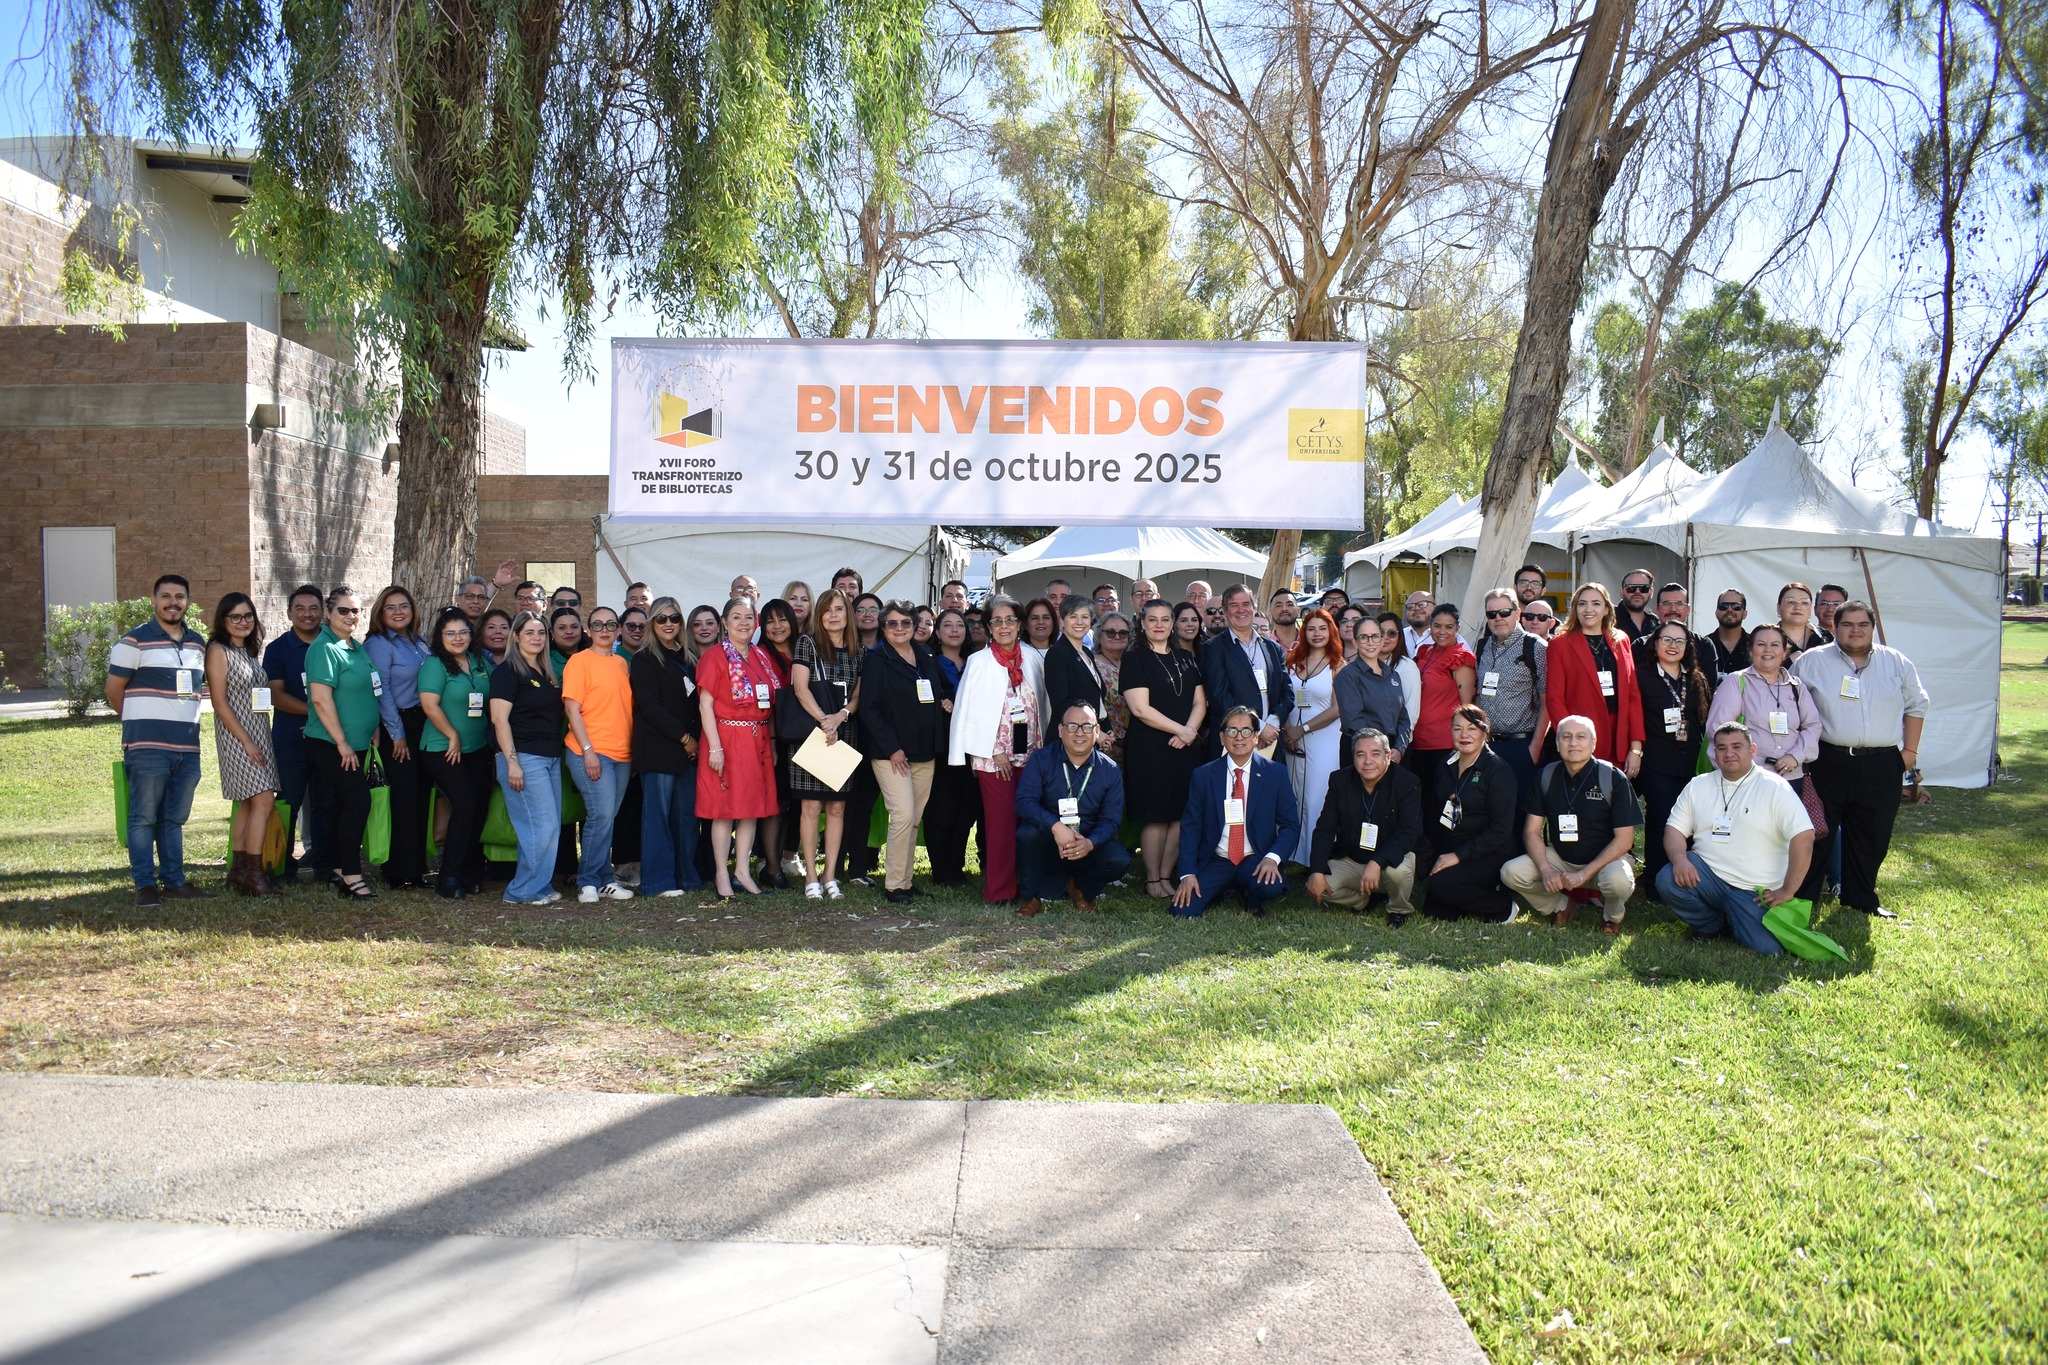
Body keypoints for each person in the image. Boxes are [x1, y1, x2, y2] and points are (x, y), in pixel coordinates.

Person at [1794, 602, 1929, 920]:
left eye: (1862, 624)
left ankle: (1861, 899)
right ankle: (1805, 898)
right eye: (1848, 624)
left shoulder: (1896, 662)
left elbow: (1917, 704)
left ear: (1872, 625)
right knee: (1818, 832)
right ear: (1834, 627)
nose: (1855, 630)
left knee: (1873, 834)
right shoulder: (1811, 662)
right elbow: (1793, 706)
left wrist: (1909, 753)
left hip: (1881, 762)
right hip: (1828, 760)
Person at [1656, 723, 1815, 954]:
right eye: (1721, 748)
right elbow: (1674, 830)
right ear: (1714, 753)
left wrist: (1787, 890)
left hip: (1754, 892)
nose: (1729, 753)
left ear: (1753, 750)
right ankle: (1710, 925)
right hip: (1708, 877)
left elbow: (1804, 837)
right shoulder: (1698, 785)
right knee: (1668, 879)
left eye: (1736, 746)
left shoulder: (1775, 787)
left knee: (1769, 950)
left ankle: (1735, 917)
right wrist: (1680, 860)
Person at [1704, 623, 1823, 901]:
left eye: (1774, 645)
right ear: (1751, 649)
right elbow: (1720, 729)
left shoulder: (1796, 687)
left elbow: (1813, 725)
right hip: (1751, 778)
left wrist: (1795, 756)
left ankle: (1785, 892)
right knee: (1751, 837)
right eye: (1761, 644)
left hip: (1790, 778)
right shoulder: (1737, 682)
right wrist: (1750, 764)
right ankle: (1744, 893)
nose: (1767, 650)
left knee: (1786, 838)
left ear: (1785, 651)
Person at [1501, 715, 1640, 932]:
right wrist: (1546, 869)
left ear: (1593, 743)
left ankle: (1612, 916)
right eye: (1566, 737)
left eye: (1580, 737)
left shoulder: (1613, 778)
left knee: (1618, 881)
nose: (1573, 743)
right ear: (1557, 744)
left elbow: (1625, 840)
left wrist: (1584, 874)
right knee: (1511, 872)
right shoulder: (1546, 776)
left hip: (1606, 861)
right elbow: (1531, 832)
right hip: (1561, 859)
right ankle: (1562, 905)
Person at [949, 596, 1046, 906]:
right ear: (989, 627)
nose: (1004, 626)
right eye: (997, 621)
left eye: (1010, 620)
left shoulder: (1031, 657)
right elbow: (969, 711)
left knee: (1026, 823)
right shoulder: (979, 661)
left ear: (1019, 625)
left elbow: (1042, 705)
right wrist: (992, 749)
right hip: (995, 758)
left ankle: (1026, 884)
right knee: (1000, 824)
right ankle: (1000, 890)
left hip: (1030, 755)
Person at [861, 601, 955, 904]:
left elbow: (937, 692)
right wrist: (893, 749)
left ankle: (905, 881)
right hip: (892, 754)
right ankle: (893, 885)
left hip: (925, 751)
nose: (899, 628)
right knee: (902, 814)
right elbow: (870, 710)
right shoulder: (876, 660)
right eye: (892, 623)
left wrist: (944, 702)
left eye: (905, 623)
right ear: (883, 627)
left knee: (914, 818)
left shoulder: (927, 656)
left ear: (914, 626)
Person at [1172, 706, 1299, 917]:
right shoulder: (1203, 776)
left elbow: (1290, 825)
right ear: (1222, 737)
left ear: (1256, 737)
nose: (1239, 737)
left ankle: (1246, 890)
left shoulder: (1275, 774)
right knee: (1182, 910)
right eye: (1232, 731)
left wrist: (1272, 858)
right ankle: (1224, 887)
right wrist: (1187, 874)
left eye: (1246, 731)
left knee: (1270, 887)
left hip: (1255, 858)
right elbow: (1191, 827)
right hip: (1218, 858)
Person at [1121, 600, 1208, 900]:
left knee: (1179, 815)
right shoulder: (1135, 659)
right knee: (1156, 814)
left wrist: (1190, 732)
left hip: (1184, 746)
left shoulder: (1185, 657)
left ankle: (1166, 875)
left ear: (1172, 623)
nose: (1159, 624)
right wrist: (1180, 730)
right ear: (1142, 623)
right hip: (1150, 748)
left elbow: (1200, 702)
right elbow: (1140, 709)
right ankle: (1151, 879)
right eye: (1152, 619)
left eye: (1165, 619)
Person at [1012, 703, 1131, 915]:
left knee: (1118, 859)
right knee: (1027, 834)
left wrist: (1089, 843)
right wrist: (1056, 826)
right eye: (1072, 726)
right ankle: (1031, 897)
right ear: (1060, 730)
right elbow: (1024, 801)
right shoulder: (1041, 759)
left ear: (1096, 732)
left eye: (1086, 727)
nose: (1079, 733)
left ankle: (1081, 889)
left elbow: (1111, 821)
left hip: (1087, 844)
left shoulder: (1110, 770)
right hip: (1049, 840)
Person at [698, 597, 781, 898]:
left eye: (748, 617)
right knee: (724, 810)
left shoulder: (760, 656)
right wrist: (715, 748)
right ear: (725, 622)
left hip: (757, 738)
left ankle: (743, 871)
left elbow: (770, 703)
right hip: (727, 739)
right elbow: (705, 703)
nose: (743, 623)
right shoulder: (715, 656)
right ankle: (722, 873)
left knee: (751, 809)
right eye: (736, 617)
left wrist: (770, 743)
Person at [303, 585, 380, 900]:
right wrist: (342, 743)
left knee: (340, 806)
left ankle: (336, 867)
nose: (351, 616)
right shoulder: (324, 648)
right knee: (357, 803)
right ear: (328, 613)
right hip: (333, 746)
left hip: (360, 743)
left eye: (356, 610)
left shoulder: (356, 646)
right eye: (344, 610)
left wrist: (373, 727)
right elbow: (321, 701)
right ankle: (351, 874)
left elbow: (366, 691)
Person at [786, 589, 864, 899]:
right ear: (819, 615)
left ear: (848, 614)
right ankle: (811, 877)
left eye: (839, 610)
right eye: (827, 610)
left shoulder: (858, 650)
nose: (833, 615)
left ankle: (830, 875)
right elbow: (800, 688)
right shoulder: (808, 643)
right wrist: (824, 720)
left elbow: (858, 695)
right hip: (813, 735)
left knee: (836, 808)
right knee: (810, 807)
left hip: (843, 734)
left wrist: (840, 716)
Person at [205, 592, 280, 896]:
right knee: (264, 800)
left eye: (248, 615)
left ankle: (238, 872)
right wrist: (246, 741)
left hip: (259, 731)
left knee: (248, 803)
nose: (243, 621)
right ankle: (254, 872)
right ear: (223, 620)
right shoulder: (218, 650)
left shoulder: (248, 651)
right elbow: (219, 703)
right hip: (237, 736)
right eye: (235, 616)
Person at [1306, 729, 1423, 923]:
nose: (1367, 761)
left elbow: (1409, 832)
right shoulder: (1340, 780)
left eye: (1375, 754)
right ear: (1353, 757)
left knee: (1398, 872)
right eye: (1360, 754)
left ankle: (1398, 909)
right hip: (1353, 858)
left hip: (1390, 858)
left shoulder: (1407, 782)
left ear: (1388, 755)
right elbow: (1325, 829)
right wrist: (1316, 870)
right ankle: (1362, 900)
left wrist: (1377, 862)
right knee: (1320, 885)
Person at [417, 607, 494, 899]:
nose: (457, 638)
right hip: (443, 749)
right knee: (464, 806)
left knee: (478, 808)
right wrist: (452, 735)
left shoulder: (479, 662)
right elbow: (429, 705)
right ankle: (448, 876)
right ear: (440, 637)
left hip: (477, 748)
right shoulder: (434, 665)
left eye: (463, 632)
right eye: (450, 633)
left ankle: (471, 873)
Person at [489, 611, 565, 905]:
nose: (536, 637)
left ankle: (537, 884)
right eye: (530, 632)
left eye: (541, 633)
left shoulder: (545, 673)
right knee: (540, 826)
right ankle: (521, 891)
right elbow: (499, 720)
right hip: (523, 758)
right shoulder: (507, 672)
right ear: (516, 636)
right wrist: (511, 762)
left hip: (549, 757)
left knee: (546, 826)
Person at [631, 596, 705, 899]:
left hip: (688, 752)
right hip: (659, 749)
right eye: (661, 618)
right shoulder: (644, 658)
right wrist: (684, 737)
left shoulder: (689, 658)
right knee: (658, 818)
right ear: (652, 623)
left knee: (686, 818)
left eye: (674, 617)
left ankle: (687, 877)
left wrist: (695, 741)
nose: (669, 623)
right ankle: (659, 882)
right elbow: (649, 706)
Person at [1417, 705, 1519, 921]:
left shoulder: (1499, 771)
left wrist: (1457, 856)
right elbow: (1436, 813)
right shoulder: (1445, 764)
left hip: (1486, 852)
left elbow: (1500, 831)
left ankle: (1504, 907)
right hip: (1451, 847)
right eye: (1457, 729)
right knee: (1434, 909)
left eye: (1471, 729)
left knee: (1440, 886)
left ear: (1485, 732)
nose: (1464, 735)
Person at [562, 606, 636, 903]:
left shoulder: (621, 664)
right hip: (589, 751)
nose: (604, 629)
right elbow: (571, 708)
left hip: (622, 755)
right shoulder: (579, 661)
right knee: (600, 814)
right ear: (588, 630)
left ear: (618, 629)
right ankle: (587, 881)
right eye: (597, 625)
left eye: (610, 624)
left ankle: (605, 879)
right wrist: (589, 751)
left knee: (609, 817)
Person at [1636, 619, 1713, 888]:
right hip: (1656, 761)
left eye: (1679, 641)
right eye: (1666, 639)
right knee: (1661, 817)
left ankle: (1686, 877)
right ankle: (1655, 879)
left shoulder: (1695, 678)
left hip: (1689, 762)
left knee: (1690, 819)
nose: (1672, 646)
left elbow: (1702, 721)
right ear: (1655, 643)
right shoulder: (1641, 676)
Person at [365, 586, 433, 889]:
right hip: (398, 726)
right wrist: (397, 733)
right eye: (390, 607)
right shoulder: (379, 644)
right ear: (380, 612)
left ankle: (417, 868)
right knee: (403, 799)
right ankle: (398, 871)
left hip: (424, 723)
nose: (398, 612)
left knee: (420, 796)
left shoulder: (419, 642)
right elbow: (382, 691)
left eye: (403, 605)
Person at [263, 583, 326, 881]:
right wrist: (318, 711)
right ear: (289, 613)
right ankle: (281, 861)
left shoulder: (333, 645)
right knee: (289, 799)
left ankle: (324, 861)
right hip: (291, 739)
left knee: (326, 799)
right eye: (299, 608)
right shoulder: (277, 650)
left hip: (328, 740)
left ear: (323, 611)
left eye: (314, 608)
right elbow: (276, 696)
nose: (307, 614)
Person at [1545, 583, 1644, 776]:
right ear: (1575, 608)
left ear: (1607, 608)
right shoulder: (1560, 644)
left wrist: (1636, 747)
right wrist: (1570, 738)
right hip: (1581, 738)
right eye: (1582, 604)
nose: (1588, 609)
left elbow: (1633, 695)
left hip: (1619, 737)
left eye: (1596, 603)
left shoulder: (1621, 639)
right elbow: (1554, 699)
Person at [923, 608, 983, 889]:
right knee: (941, 809)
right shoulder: (928, 662)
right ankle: (941, 869)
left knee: (966, 809)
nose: (955, 630)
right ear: (937, 632)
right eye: (947, 625)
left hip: (972, 747)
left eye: (960, 625)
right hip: (942, 747)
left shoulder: (976, 662)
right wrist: (941, 702)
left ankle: (957, 866)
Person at [1470, 588, 1548, 793]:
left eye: (1504, 612)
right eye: (1491, 614)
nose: (1498, 618)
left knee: (1518, 811)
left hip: (1520, 745)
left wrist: (1535, 748)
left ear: (1517, 613)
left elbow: (1547, 700)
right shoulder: (1482, 646)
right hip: (1486, 745)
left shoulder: (1535, 647)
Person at [1282, 608, 1345, 864]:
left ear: (1331, 631)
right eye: (1311, 628)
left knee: (1317, 796)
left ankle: (1315, 858)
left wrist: (1303, 729)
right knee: (1293, 795)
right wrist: (1288, 731)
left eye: (1322, 628)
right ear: (1303, 631)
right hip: (1291, 739)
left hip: (1323, 740)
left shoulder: (1338, 665)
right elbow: (1286, 697)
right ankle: (1292, 854)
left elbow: (1337, 709)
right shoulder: (1293, 661)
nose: (1317, 634)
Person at [1200, 585, 1293, 754]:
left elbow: (1287, 693)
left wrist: (1274, 722)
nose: (1241, 610)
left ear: (1254, 607)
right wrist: (1258, 727)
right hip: (1233, 741)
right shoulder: (1213, 648)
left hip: (1270, 743)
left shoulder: (1273, 648)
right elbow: (1220, 697)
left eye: (1245, 604)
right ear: (1225, 610)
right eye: (1234, 605)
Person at [837, 592, 888, 885]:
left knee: (864, 805)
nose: (867, 614)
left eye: (873, 609)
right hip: (845, 734)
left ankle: (858, 866)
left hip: (875, 740)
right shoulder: (844, 649)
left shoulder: (889, 650)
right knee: (840, 804)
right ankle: (835, 863)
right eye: (861, 609)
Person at [757, 597, 802, 887]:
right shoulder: (759, 654)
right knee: (775, 803)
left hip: (804, 737)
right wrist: (772, 741)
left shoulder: (805, 650)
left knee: (798, 804)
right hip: (773, 739)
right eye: (770, 621)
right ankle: (771, 868)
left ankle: (789, 858)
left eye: (782, 619)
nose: (777, 626)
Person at [1407, 604, 1478, 779]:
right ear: (1430, 626)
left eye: (1449, 627)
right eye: (1437, 626)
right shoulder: (1426, 652)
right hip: (1417, 740)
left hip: (1444, 744)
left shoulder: (1460, 657)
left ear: (1457, 628)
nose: (1442, 631)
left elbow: (1467, 706)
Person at [1334, 616, 1411, 758]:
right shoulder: (1347, 676)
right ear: (1356, 642)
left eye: (1375, 636)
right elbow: (1354, 720)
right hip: (1363, 750)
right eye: (1363, 637)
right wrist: (1380, 750)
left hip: (1391, 750)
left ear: (1382, 640)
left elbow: (1403, 719)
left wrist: (1399, 748)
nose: (1370, 642)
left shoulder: (1393, 676)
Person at [1636, 583, 1719, 694]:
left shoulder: (1704, 645)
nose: (1673, 609)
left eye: (1679, 604)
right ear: (1657, 609)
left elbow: (1708, 690)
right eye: (1666, 603)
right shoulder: (1640, 645)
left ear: (1688, 609)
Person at [1043, 596, 1105, 727]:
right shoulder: (1057, 654)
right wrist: (1097, 733)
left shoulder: (1087, 653)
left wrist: (1106, 728)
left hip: (1092, 733)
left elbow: (1097, 699)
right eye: (1073, 616)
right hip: (1071, 736)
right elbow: (1060, 703)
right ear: (1062, 621)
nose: (1079, 622)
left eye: (1085, 617)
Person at [1374, 610, 1424, 748]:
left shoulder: (1407, 667)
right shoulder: (1363, 664)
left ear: (1399, 637)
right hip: (1365, 741)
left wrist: (1399, 747)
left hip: (1395, 742)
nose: (1385, 637)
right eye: (1380, 633)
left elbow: (1411, 713)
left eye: (1391, 633)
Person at [1095, 610, 1133, 760]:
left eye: (1123, 633)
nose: (1117, 636)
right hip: (1105, 743)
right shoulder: (1091, 663)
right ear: (1099, 635)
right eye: (1110, 632)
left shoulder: (1134, 663)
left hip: (1134, 743)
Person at [1775, 581, 1832, 660]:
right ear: (1778, 608)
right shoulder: (1766, 638)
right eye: (1791, 602)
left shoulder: (1825, 637)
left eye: (1804, 603)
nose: (1798, 607)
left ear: (1811, 609)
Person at [1704, 589, 1751, 677]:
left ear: (1745, 613)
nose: (1729, 610)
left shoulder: (1756, 645)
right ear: (1716, 613)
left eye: (1736, 607)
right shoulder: (1702, 645)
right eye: (1723, 606)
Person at [1615, 569, 1660, 643]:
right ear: (1622, 592)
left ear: (1651, 593)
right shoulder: (1607, 617)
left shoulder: (1655, 622)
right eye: (1631, 588)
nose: (1637, 592)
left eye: (1644, 588)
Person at [548, 606, 586, 676]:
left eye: (574, 627)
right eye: (562, 628)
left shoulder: (593, 655)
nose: (569, 632)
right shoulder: (545, 661)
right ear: (552, 632)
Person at [1400, 590, 1434, 655]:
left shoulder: (1446, 637)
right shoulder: (1399, 636)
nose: (1416, 609)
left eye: (1422, 605)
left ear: (1434, 608)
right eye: (1410, 607)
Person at [1268, 588, 1301, 653]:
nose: (1284, 609)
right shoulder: (1265, 645)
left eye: (1289, 604)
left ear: (1298, 611)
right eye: (1278, 605)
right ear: (1270, 612)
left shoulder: (1309, 640)